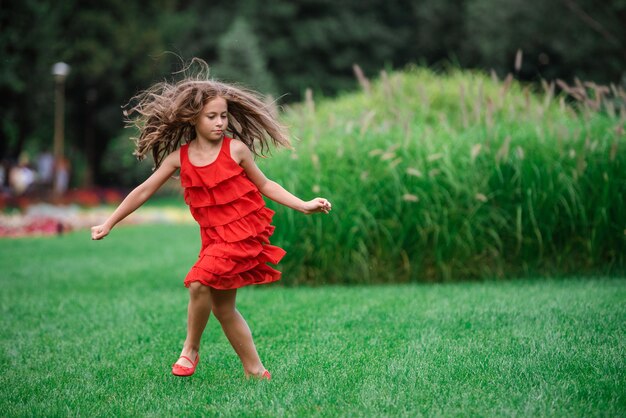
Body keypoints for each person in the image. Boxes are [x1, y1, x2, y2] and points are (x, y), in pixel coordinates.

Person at [91, 59, 331, 379]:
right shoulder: (180, 158)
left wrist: (302, 205)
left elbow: (265, 184)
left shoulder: (237, 150)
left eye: (223, 116)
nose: (220, 123)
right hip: (214, 240)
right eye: (212, 117)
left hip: (242, 234)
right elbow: (144, 190)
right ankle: (256, 371)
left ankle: (190, 349)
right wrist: (110, 222)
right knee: (223, 309)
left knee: (199, 281)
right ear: (193, 119)